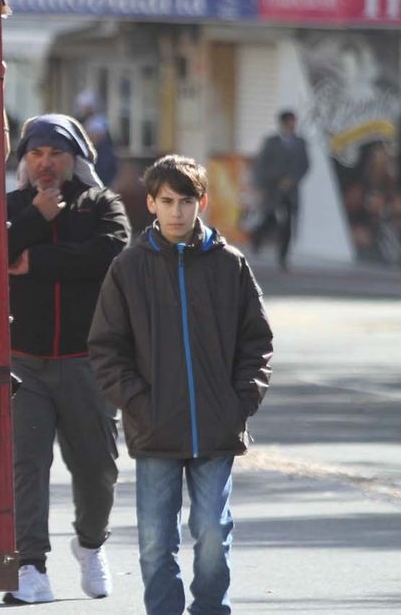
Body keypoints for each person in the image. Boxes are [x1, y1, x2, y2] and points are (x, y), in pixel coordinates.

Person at [88, 156, 273, 615]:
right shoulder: (128, 268)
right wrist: (139, 405)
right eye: (166, 201)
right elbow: (107, 349)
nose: (176, 211)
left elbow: (257, 341)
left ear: (202, 203)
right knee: (155, 542)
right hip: (155, 431)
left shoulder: (230, 265)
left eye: (186, 201)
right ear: (150, 203)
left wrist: (240, 403)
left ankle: (211, 609)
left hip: (216, 429)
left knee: (212, 533)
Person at [3, 115, 131, 604]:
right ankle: (30, 565)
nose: (46, 163)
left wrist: (37, 262)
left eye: (56, 153)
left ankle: (91, 543)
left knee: (97, 468)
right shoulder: (13, 207)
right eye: (36, 153)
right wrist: (35, 217)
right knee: (26, 467)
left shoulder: (101, 205)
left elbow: (111, 253)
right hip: (22, 363)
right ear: (25, 160)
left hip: (87, 360)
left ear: (75, 158)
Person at [251, 110, 310, 271]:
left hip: (291, 192)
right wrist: (263, 187)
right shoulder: (271, 142)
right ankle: (257, 238)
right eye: (290, 122)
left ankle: (283, 257)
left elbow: (305, 165)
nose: (293, 125)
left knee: (288, 224)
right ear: (283, 123)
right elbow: (261, 166)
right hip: (273, 189)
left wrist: (293, 179)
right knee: (270, 218)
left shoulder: (300, 143)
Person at [73, 90, 119, 188]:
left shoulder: (98, 124)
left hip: (101, 165)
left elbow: (93, 142)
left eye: (84, 107)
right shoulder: (86, 122)